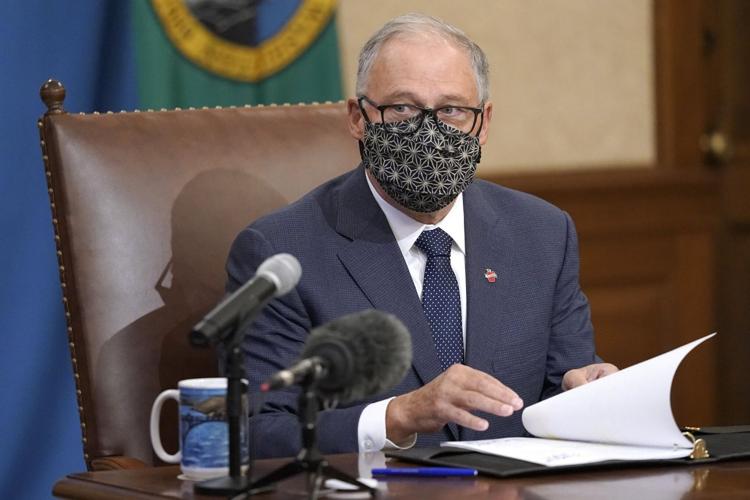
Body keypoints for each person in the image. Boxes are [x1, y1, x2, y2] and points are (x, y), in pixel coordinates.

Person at [226, 13, 617, 459]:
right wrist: (397, 416)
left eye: (451, 109)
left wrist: (586, 394)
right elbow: (257, 431)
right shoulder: (282, 253)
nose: (427, 133)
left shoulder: (543, 234)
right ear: (358, 117)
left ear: (483, 123)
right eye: (402, 108)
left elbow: (561, 387)